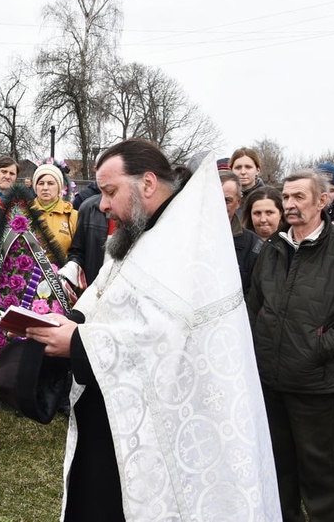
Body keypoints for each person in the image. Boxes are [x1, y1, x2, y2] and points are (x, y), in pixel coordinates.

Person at [24, 139, 281, 521]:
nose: (104, 204)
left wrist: (78, 344)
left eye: (111, 191)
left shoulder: (184, 242)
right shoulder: (137, 231)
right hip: (114, 415)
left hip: (168, 429)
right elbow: (107, 292)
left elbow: (165, 336)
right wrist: (73, 321)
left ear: (146, 184)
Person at [244, 168, 334, 522]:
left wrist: (318, 348)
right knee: (279, 464)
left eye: (298, 197)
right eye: (286, 197)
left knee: (317, 467)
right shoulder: (274, 248)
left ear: (322, 200)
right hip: (270, 380)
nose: (289, 204)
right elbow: (254, 303)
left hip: (314, 382)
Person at [220, 169, 262, 295]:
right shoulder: (187, 239)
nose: (220, 205)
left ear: (238, 202)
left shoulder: (253, 245)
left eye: (227, 201)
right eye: (215, 198)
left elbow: (255, 295)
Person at [64, 192, 110, 294]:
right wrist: (67, 274)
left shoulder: (144, 211)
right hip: (92, 293)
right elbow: (78, 252)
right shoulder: (88, 207)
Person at [31, 163, 77, 259]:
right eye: (41, 183)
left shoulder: (72, 215)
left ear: (59, 187)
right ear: (35, 187)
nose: (45, 188)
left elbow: (78, 253)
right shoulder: (24, 213)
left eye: (51, 183)